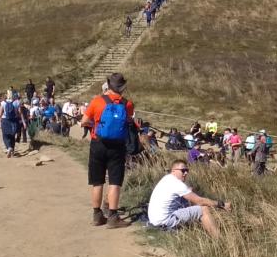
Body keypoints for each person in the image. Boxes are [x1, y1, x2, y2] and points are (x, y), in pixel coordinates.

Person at [83, 73, 138, 228]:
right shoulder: (128, 104)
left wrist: (97, 125)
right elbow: (127, 121)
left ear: (108, 85)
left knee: (97, 181)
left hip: (98, 143)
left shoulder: (97, 101)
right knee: (114, 181)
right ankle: (113, 217)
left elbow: (84, 121)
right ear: (122, 87)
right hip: (117, 146)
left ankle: (97, 215)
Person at [147, 160, 230, 236]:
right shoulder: (177, 184)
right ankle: (218, 238)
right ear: (173, 171)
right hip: (165, 221)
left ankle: (198, 228)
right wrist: (221, 204)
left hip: (155, 220)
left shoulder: (167, 178)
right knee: (203, 209)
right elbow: (200, 201)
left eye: (187, 170)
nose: (186, 173)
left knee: (189, 202)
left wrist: (189, 192)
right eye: (183, 170)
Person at [0, 91, 27, 157]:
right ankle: (12, 149)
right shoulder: (17, 102)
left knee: (5, 136)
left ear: (7, 95)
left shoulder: (3, 103)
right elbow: (20, 113)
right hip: (14, 120)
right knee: (12, 135)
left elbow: (0, 113)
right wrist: (24, 122)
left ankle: (9, 147)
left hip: (5, 120)